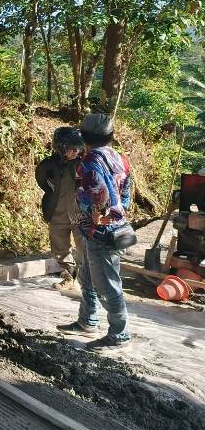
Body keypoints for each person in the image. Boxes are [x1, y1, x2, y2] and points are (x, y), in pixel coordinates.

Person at [57, 113, 134, 350]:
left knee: (108, 285)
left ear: (84, 136)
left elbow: (99, 196)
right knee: (88, 277)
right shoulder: (120, 158)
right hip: (112, 228)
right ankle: (88, 320)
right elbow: (127, 195)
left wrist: (95, 217)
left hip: (99, 230)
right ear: (110, 136)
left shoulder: (89, 163)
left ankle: (119, 335)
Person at [35, 127, 86, 290]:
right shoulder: (48, 166)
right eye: (72, 148)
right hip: (57, 211)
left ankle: (86, 280)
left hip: (80, 212)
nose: (76, 151)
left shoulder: (84, 164)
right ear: (61, 147)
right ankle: (68, 275)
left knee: (84, 246)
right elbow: (43, 182)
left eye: (78, 147)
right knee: (59, 247)